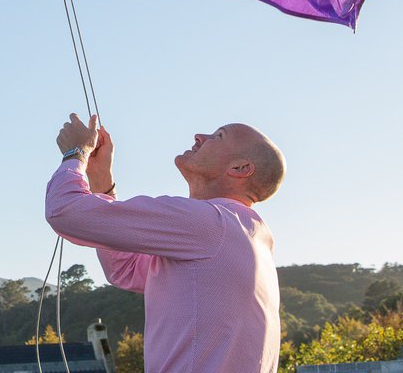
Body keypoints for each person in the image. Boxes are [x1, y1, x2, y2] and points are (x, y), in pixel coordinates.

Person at [46, 114, 286, 373]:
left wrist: (76, 153)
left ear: (240, 168)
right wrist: (101, 180)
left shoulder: (210, 222)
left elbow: (65, 211)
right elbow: (125, 269)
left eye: (218, 136)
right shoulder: (246, 234)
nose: (199, 137)